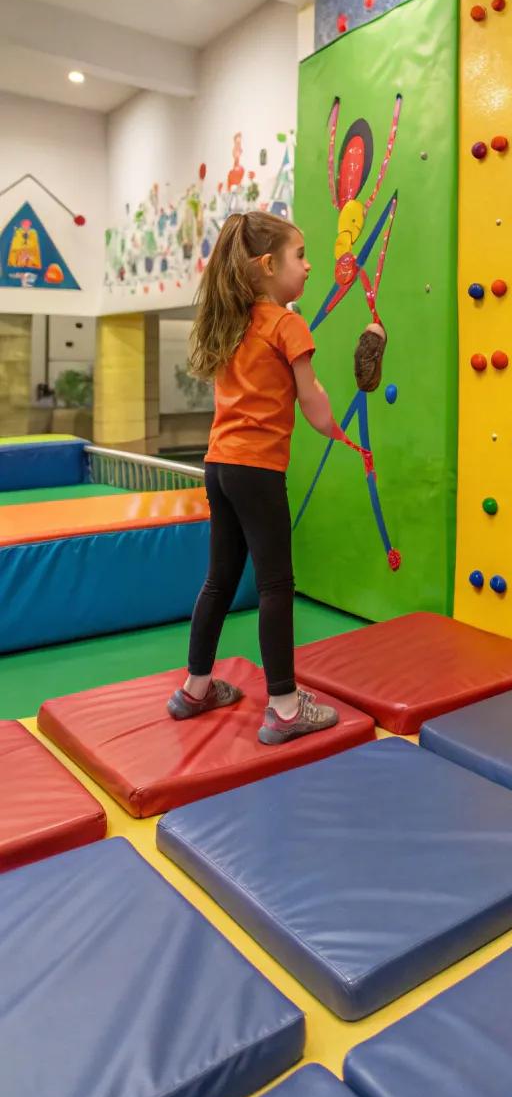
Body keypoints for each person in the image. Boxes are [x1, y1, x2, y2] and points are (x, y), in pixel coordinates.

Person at [166, 210, 349, 743]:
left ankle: (195, 689)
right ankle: (287, 709)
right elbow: (313, 405)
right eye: (300, 256)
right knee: (275, 584)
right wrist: (335, 425)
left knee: (219, 580)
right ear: (268, 266)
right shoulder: (287, 323)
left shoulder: (233, 322)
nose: (310, 266)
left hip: (219, 465)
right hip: (257, 468)